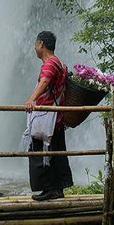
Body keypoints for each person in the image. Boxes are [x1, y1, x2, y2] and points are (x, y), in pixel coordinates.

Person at [24, 31, 73, 201]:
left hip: (47, 116)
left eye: (35, 44)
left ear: (41, 44)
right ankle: (58, 189)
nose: (34, 47)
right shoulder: (57, 62)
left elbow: (44, 81)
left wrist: (31, 99)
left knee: (40, 152)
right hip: (56, 115)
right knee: (56, 150)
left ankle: (49, 189)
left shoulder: (50, 64)